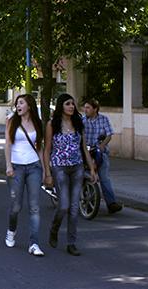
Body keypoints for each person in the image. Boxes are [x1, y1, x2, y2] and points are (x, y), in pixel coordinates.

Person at [44, 93, 97, 256]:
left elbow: (84, 148)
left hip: (77, 167)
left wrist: (92, 169)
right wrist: (48, 173)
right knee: (64, 206)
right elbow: (46, 150)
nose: (71, 107)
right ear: (61, 106)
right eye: (68, 104)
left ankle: (71, 243)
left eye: (73, 104)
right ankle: (54, 228)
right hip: (59, 168)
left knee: (74, 208)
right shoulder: (52, 124)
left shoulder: (79, 123)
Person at [4, 94, 45, 256]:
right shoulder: (11, 121)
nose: (18, 106)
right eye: (17, 103)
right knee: (16, 206)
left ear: (29, 105)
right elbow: (7, 144)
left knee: (34, 207)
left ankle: (34, 243)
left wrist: (45, 169)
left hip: (34, 166)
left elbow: (39, 147)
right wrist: (8, 165)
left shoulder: (37, 122)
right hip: (16, 166)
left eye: (21, 103)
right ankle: (11, 230)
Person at [83, 98, 123, 214]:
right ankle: (84, 199)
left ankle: (111, 203)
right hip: (86, 152)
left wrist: (102, 145)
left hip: (100, 152)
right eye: (85, 107)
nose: (85, 110)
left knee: (104, 178)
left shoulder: (103, 119)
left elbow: (109, 134)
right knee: (81, 176)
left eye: (88, 107)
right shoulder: (82, 121)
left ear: (95, 109)